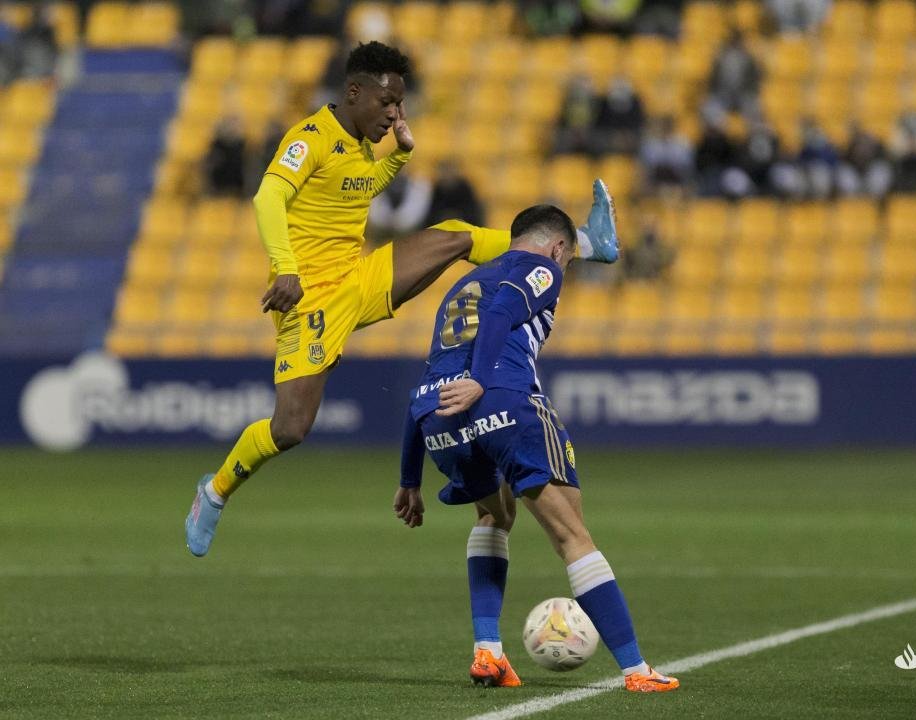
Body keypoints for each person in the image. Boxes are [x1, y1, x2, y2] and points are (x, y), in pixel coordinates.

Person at [185, 41, 620, 557]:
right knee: (291, 428)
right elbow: (268, 196)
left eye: (399, 104)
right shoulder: (309, 138)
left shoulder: (369, 142)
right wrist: (285, 268)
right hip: (312, 298)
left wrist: (400, 158)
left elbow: (356, 189)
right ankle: (214, 492)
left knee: (454, 235)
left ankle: (586, 244)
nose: (394, 114)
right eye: (387, 103)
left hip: (360, 277)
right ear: (353, 92)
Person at [393, 205, 679, 693]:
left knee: (494, 516)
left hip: (436, 419)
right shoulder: (542, 265)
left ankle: (489, 653)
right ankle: (636, 671)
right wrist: (482, 381)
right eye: (567, 261)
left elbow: (428, 383)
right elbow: (505, 312)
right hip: (503, 399)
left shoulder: (466, 284)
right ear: (558, 248)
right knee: (571, 534)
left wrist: (410, 479)